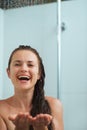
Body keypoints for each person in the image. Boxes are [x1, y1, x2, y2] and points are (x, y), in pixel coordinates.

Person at [0, 45, 64, 130]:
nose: (24, 69)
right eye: (17, 64)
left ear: (39, 74)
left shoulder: (54, 105)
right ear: (8, 73)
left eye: (30, 65)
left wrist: (41, 128)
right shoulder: (1, 109)